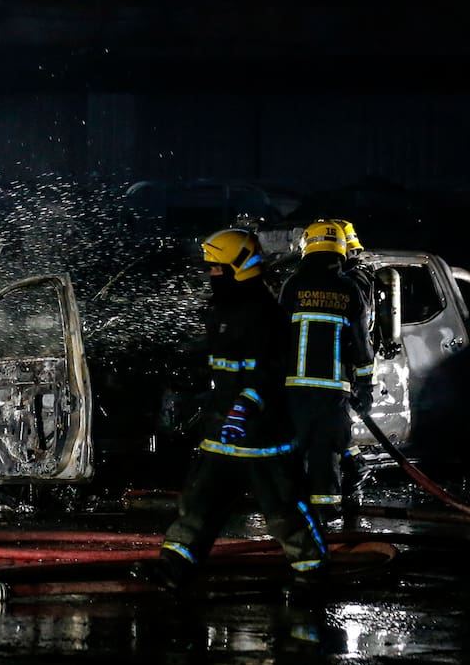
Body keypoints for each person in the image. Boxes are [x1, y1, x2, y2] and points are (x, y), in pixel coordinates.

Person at [131, 227, 328, 594]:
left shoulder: (266, 314)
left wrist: (244, 409)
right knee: (198, 505)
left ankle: (312, 573)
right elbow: (219, 358)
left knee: (284, 508)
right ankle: (173, 568)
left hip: (262, 437)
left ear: (241, 267)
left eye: (217, 268)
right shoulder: (224, 309)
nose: (211, 275)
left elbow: (269, 372)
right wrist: (181, 360)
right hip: (222, 432)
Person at [278, 220, 375, 520]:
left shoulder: (293, 285)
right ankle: (328, 518)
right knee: (327, 451)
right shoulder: (350, 290)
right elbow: (362, 345)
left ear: (308, 245)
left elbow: (277, 336)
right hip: (334, 391)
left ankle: (291, 515)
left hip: (294, 390)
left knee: (293, 451)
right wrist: (365, 387)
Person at [332, 218, 376, 511]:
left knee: (337, 423)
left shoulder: (356, 280)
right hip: (342, 365)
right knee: (339, 425)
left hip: (344, 365)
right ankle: (354, 467)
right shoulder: (354, 278)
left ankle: (356, 468)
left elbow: (359, 331)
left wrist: (364, 384)